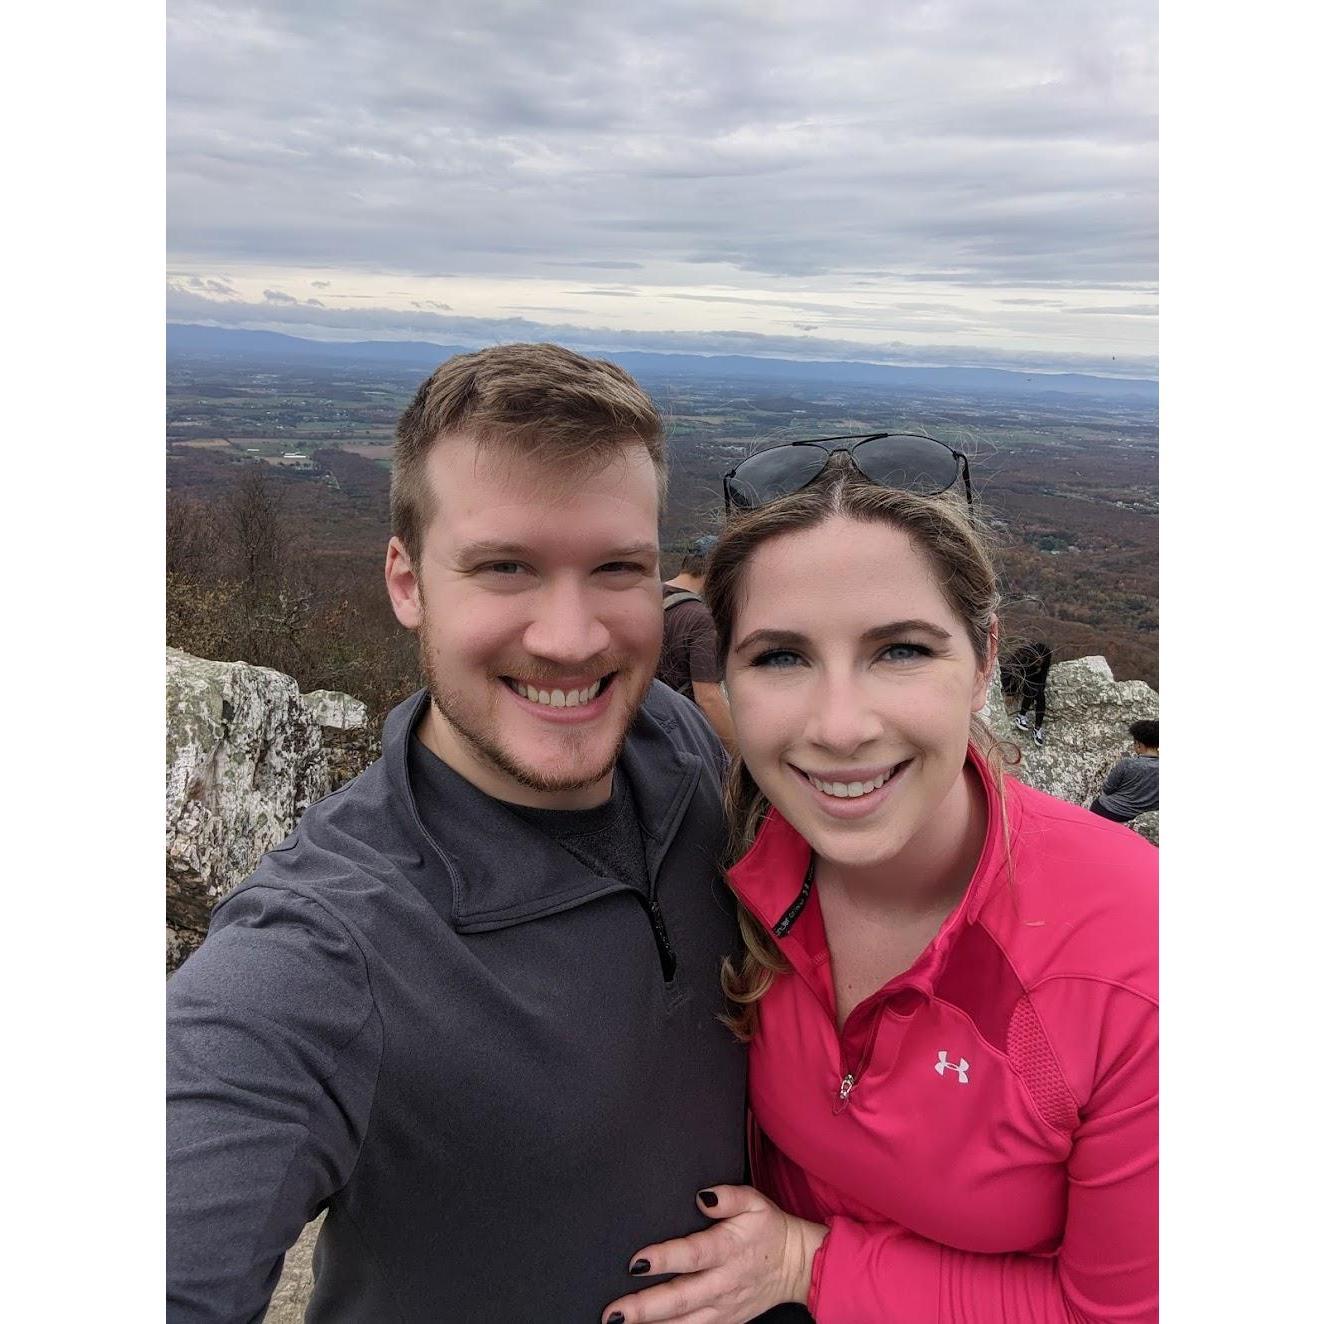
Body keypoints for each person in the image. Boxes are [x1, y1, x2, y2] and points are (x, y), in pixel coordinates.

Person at [166, 343, 751, 1322]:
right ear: (407, 582)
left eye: (616, 568)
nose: (570, 637)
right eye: (505, 567)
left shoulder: (678, 744)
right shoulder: (319, 952)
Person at [603, 446, 1157, 1324]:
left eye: (899, 650)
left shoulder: (1138, 958)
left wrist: (805, 1265)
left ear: (982, 662)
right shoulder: (725, 863)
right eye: (780, 658)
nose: (840, 726)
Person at [658, 533, 737, 754]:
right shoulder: (700, 618)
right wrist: (740, 758)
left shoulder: (647, 598)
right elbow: (708, 697)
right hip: (682, 738)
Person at [1090, 719, 1159, 823]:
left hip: (1106, 810)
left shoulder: (1127, 763)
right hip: (1135, 818)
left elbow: (1107, 789)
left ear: (1139, 744)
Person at [1008, 639, 1053, 745]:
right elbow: (1019, 673)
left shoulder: (1047, 654)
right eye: (1036, 660)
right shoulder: (1026, 654)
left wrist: (1040, 689)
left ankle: (1038, 728)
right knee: (1030, 690)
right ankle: (1021, 715)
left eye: (1040, 660)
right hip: (1021, 674)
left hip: (1036, 676)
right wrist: (1011, 692)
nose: (1038, 662)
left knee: (1040, 697)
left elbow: (1043, 675)